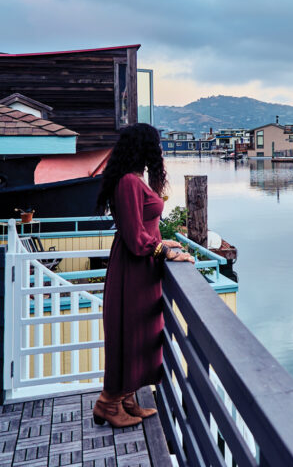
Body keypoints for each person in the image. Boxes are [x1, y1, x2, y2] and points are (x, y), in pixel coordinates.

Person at [94, 123, 194, 427]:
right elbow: (136, 237)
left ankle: (127, 398)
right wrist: (167, 252)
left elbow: (143, 228)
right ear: (146, 148)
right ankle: (108, 404)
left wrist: (164, 242)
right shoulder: (128, 182)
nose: (161, 151)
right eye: (158, 145)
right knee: (130, 334)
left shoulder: (134, 180)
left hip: (140, 269)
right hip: (133, 271)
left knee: (139, 335)